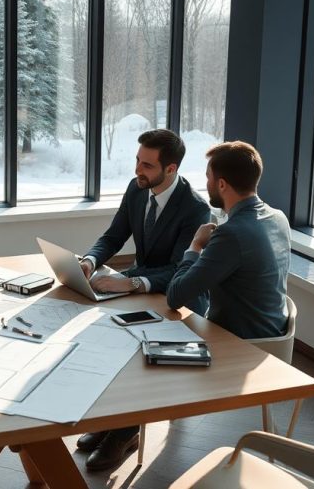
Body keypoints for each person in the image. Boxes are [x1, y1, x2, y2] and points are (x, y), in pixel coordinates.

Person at [73, 128, 211, 472]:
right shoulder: (137, 190)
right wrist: (90, 260)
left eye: (147, 165)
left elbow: (181, 270)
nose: (138, 170)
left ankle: (124, 431)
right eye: (137, 161)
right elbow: (114, 235)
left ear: (171, 169)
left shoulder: (195, 209)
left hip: (178, 300)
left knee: (134, 349)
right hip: (144, 287)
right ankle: (112, 418)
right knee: (101, 334)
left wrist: (133, 282)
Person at [166, 140, 290, 340]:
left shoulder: (231, 234)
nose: (206, 185)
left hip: (239, 344)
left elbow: (175, 297)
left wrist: (195, 245)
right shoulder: (279, 218)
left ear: (221, 184)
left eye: (208, 178)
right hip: (273, 334)